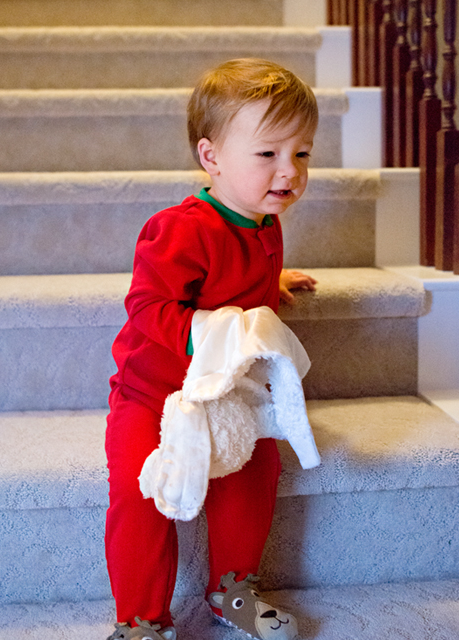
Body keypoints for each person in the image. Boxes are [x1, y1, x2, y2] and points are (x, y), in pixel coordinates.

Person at [104, 58, 319, 640]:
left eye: (301, 154)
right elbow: (149, 309)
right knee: (137, 488)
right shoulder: (179, 229)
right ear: (211, 157)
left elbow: (235, 274)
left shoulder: (263, 219)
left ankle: (232, 588)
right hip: (154, 391)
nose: (289, 172)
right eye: (268, 154)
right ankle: (141, 619)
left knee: (256, 467)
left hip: (225, 392)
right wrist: (218, 329)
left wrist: (272, 284)